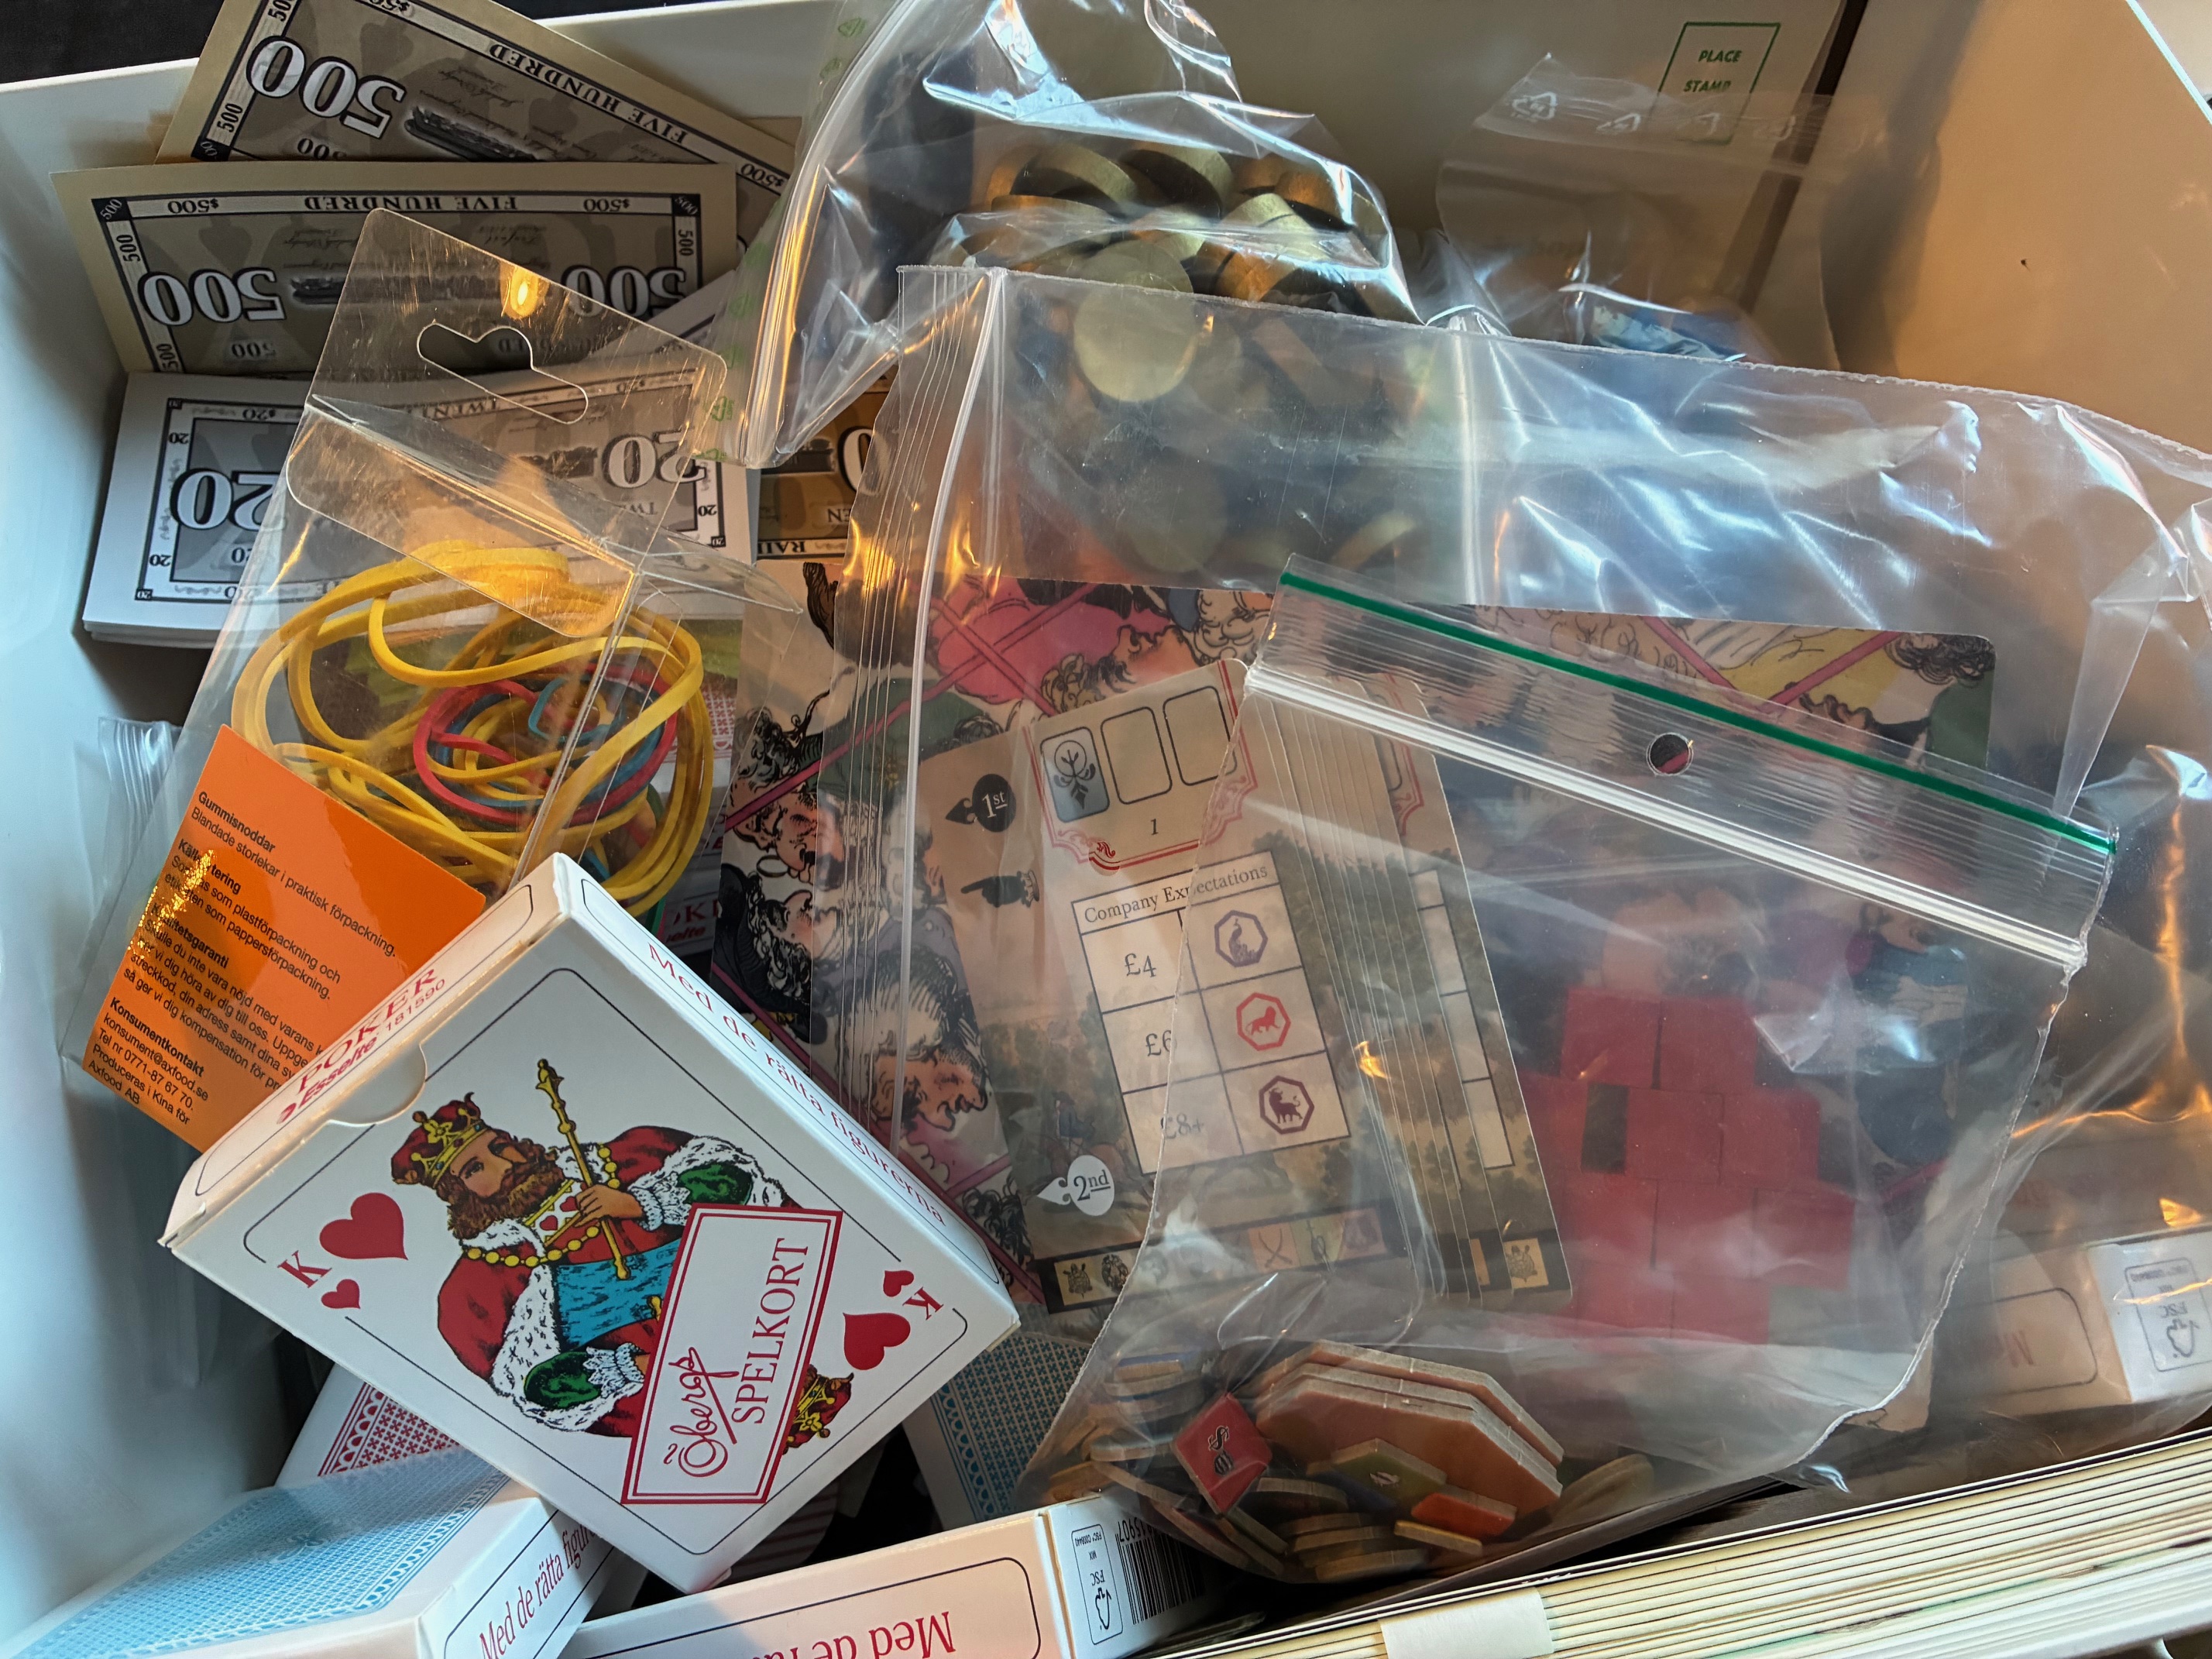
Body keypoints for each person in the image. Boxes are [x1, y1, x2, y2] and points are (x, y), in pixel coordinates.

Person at [391, 1094, 784, 1435]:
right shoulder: (473, 1291)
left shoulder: (625, 1160)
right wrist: (641, 1365)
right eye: (475, 1169)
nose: (504, 1165)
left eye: (499, 1147)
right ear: (457, 1193)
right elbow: (538, 1386)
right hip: (700, 1396)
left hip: (762, 1310)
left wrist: (636, 1204)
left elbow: (738, 1184)